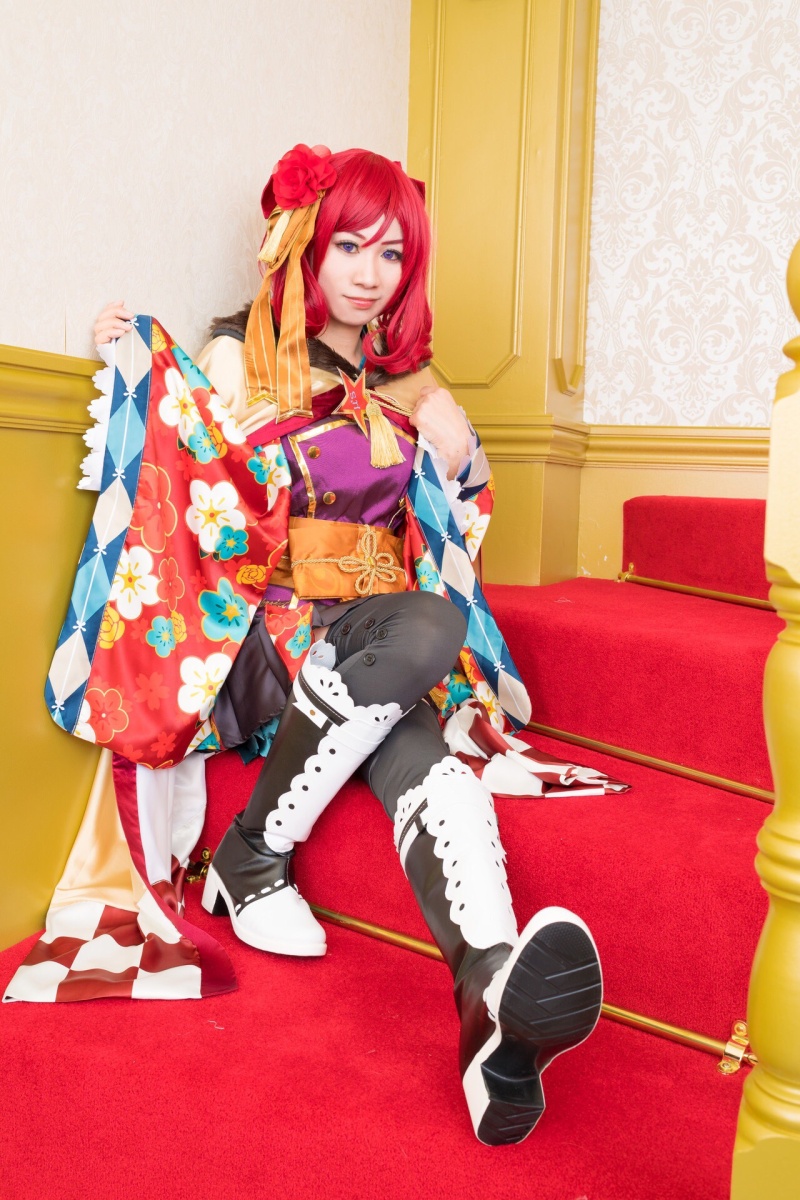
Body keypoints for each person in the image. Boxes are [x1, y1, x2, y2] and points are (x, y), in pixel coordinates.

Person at [14, 145, 621, 1146]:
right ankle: (254, 854)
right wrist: (136, 365)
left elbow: (451, 516)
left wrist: (459, 451)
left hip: (369, 644)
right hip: (264, 640)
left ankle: (488, 1008)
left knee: (429, 752)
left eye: (391, 254)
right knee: (429, 627)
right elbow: (191, 482)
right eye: (349, 245)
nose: (369, 273)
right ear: (304, 244)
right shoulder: (239, 357)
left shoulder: (401, 388)